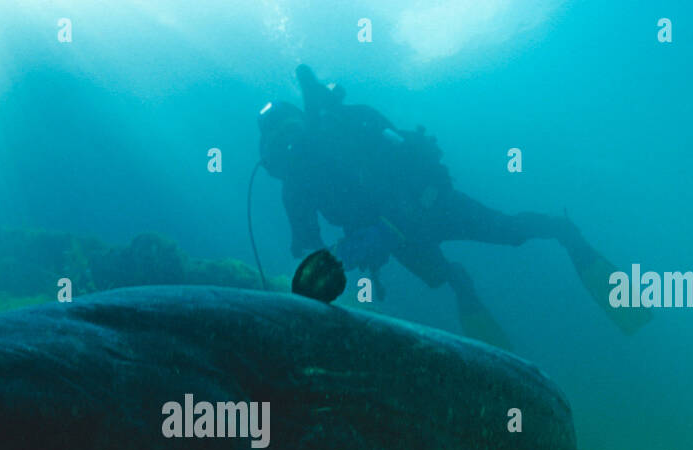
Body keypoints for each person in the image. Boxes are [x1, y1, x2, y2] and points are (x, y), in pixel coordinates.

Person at [257, 65, 648, 348]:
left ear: (305, 122)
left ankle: (567, 234)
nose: (292, 146)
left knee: (510, 231)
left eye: (292, 131)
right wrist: (332, 263)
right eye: (280, 142)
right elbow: (308, 248)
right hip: (396, 241)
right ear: (271, 154)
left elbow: (410, 157)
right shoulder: (295, 188)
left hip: (433, 207)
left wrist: (389, 223)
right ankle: (487, 332)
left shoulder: (348, 125)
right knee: (449, 278)